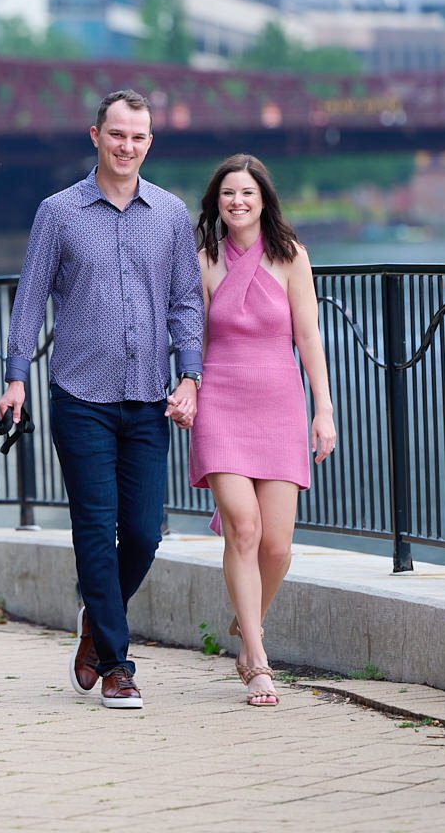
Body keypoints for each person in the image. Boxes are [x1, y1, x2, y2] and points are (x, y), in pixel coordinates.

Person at [0, 89, 204, 710]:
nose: (127, 147)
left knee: (142, 534)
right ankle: (117, 665)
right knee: (95, 527)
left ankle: (94, 625)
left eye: (139, 137)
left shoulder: (169, 214)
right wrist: (16, 376)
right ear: (96, 136)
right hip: (79, 394)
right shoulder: (58, 212)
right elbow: (31, 298)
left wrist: (190, 375)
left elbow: (186, 302)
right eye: (117, 134)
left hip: (147, 396)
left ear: (150, 142)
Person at [189, 154, 337, 707]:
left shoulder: (291, 256)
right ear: (217, 201)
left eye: (247, 193)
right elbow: (192, 339)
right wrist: (187, 389)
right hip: (220, 404)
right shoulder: (203, 259)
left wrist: (323, 409)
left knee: (277, 547)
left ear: (263, 200)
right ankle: (256, 659)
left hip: (278, 404)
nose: (237, 202)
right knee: (243, 529)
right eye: (228, 193)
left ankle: (247, 621)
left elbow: (309, 339)